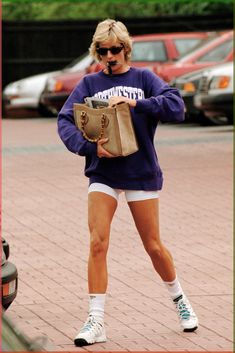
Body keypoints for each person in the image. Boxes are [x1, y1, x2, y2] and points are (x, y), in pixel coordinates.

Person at [57, 18, 198, 347]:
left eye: (115, 49)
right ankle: (96, 320)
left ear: (126, 49)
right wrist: (89, 147)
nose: (110, 55)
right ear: (97, 53)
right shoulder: (89, 84)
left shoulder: (145, 79)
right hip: (103, 172)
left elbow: (177, 107)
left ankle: (180, 301)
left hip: (141, 172)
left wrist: (138, 103)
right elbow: (65, 120)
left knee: (153, 246)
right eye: (103, 50)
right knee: (97, 242)